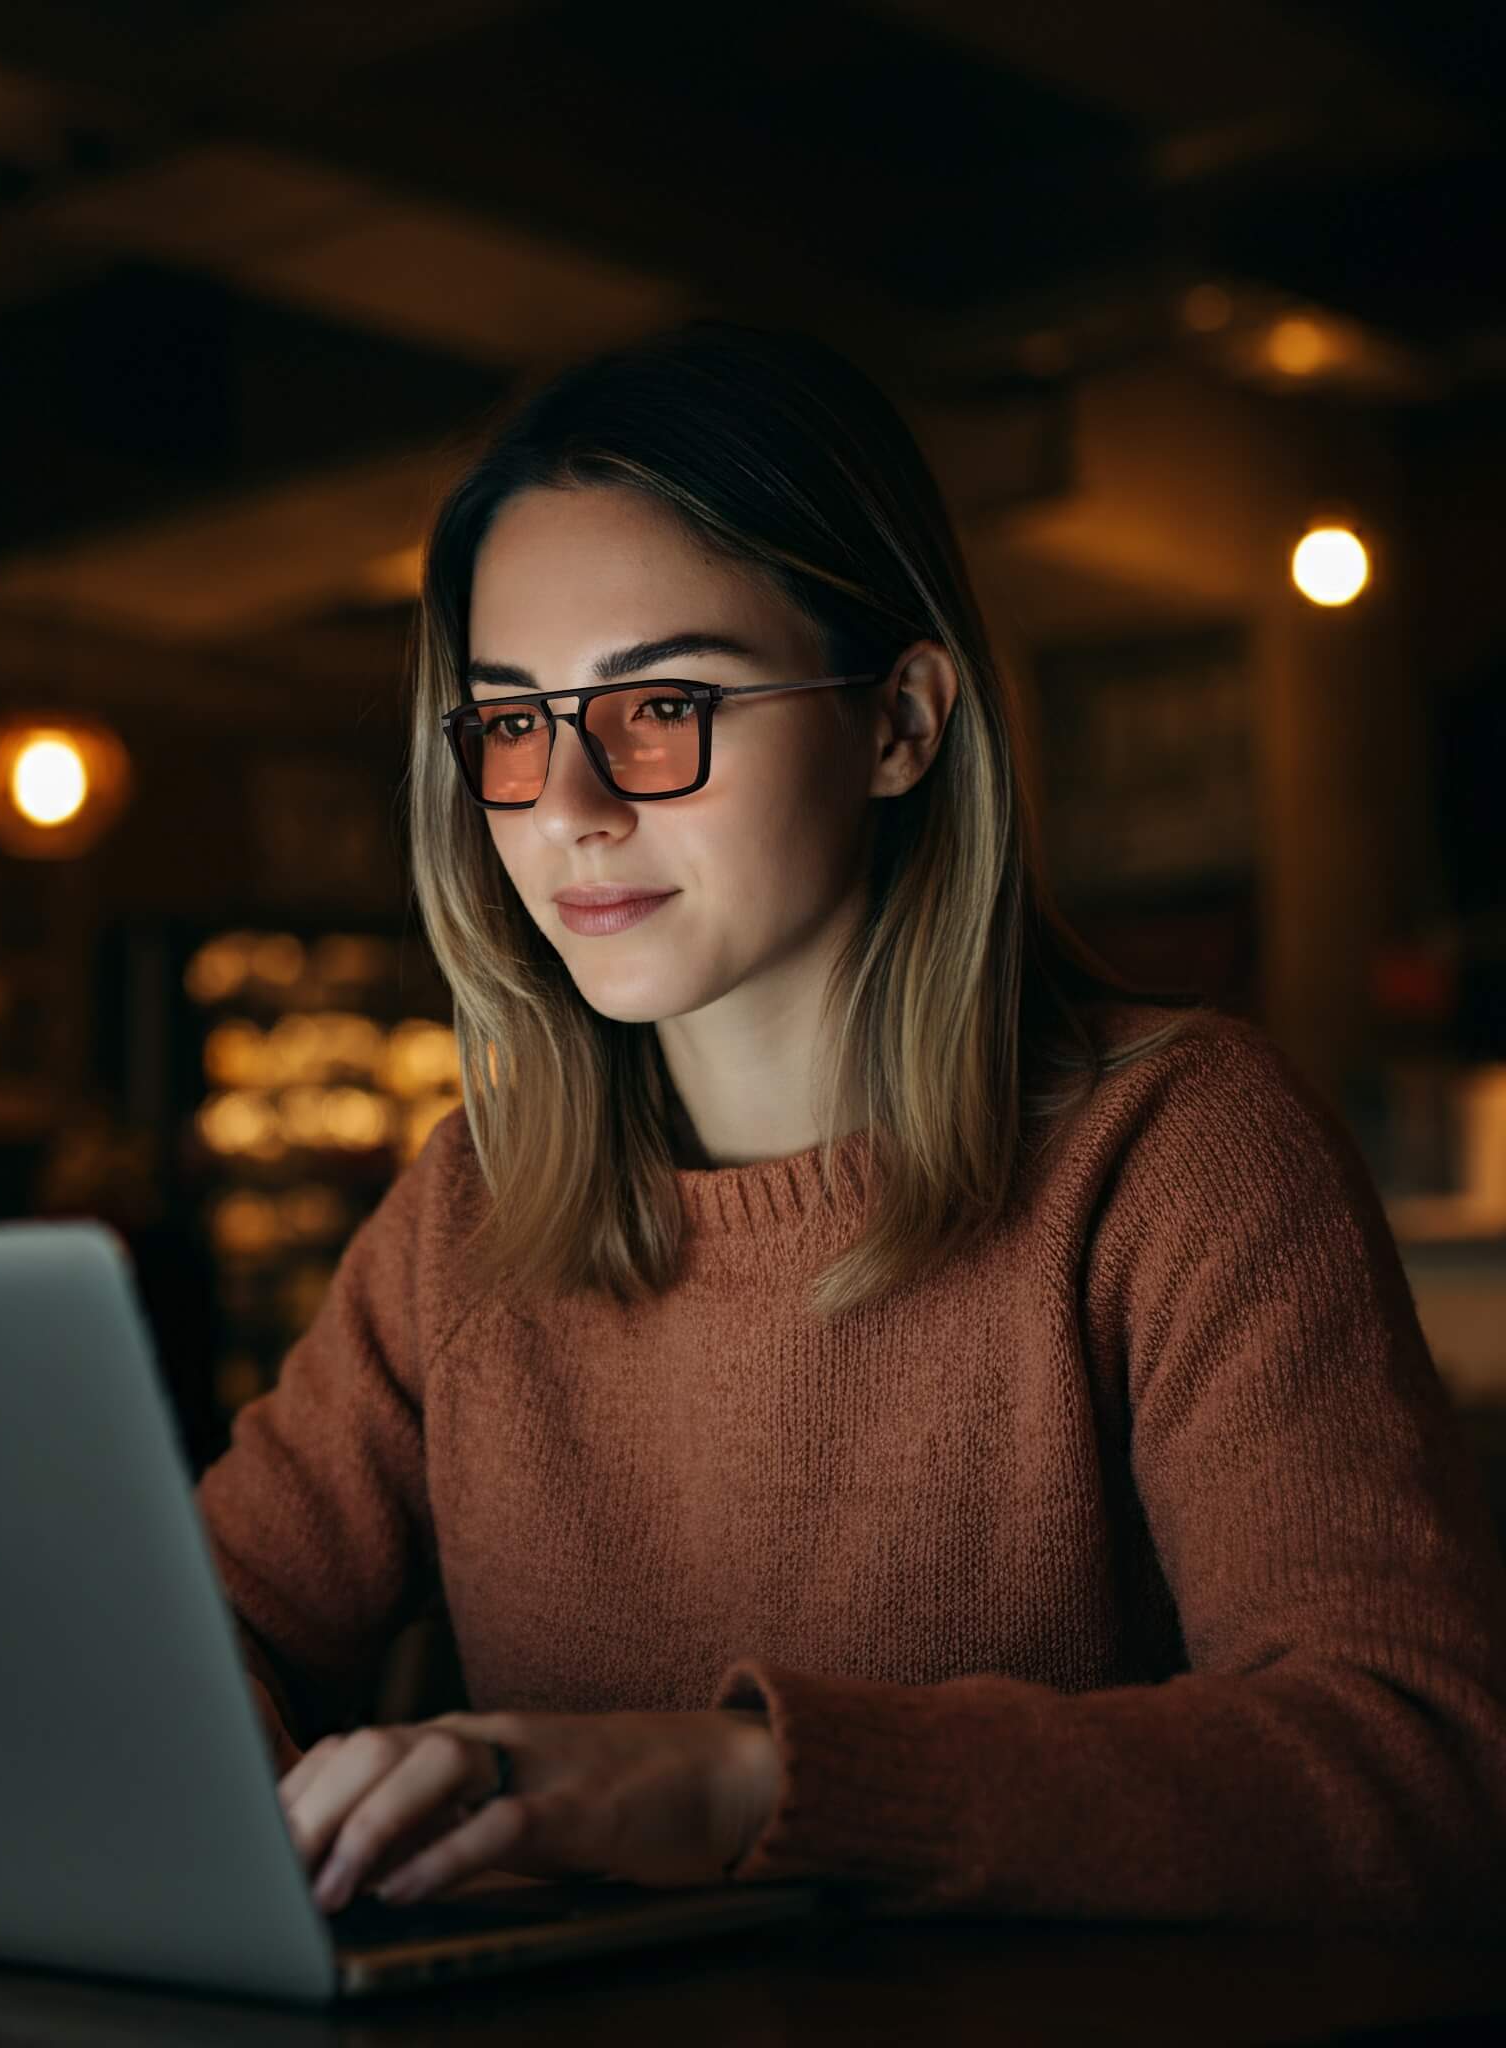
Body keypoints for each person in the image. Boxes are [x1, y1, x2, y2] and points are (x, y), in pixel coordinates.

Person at [194, 321, 1506, 1927]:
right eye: (512, 723)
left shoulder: (1177, 1151)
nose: (567, 807)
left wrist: (746, 1783)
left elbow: (1426, 1767)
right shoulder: (469, 1210)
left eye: (662, 705)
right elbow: (197, 1629)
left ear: (901, 723)